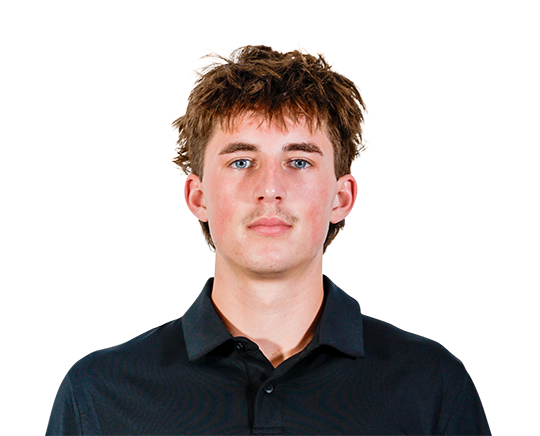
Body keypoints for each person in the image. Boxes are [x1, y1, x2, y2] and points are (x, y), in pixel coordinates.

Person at [47, 45, 491, 435]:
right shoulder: (100, 393)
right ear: (197, 197)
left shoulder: (431, 383)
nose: (270, 188)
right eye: (241, 161)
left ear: (341, 198)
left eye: (299, 161)